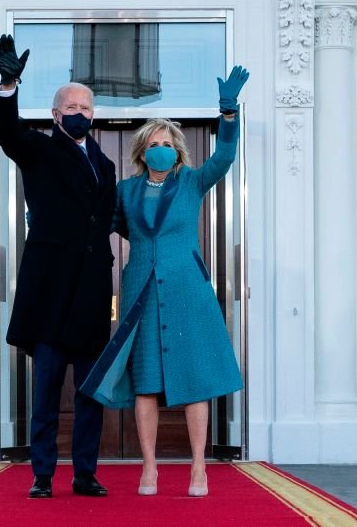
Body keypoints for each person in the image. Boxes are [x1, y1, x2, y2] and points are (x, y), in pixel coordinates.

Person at [81, 65, 249, 498]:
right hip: (140, 290)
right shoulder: (125, 190)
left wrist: (228, 115)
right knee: (146, 383)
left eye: (166, 144)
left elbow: (225, 157)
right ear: (142, 151)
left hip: (187, 290)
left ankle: (198, 468)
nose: (160, 149)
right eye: (152, 144)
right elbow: (113, 225)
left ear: (177, 150)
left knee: (193, 380)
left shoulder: (192, 182)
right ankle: (149, 469)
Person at [0, 34, 117, 499]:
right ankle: (42, 475)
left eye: (86, 105)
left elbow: (109, 218)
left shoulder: (104, 163)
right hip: (48, 297)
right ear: (56, 114)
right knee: (44, 395)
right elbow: (6, 132)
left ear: (93, 114)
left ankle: (85, 473)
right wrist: (8, 86)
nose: (80, 111)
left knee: (90, 395)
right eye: (71, 105)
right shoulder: (39, 149)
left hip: (89, 297)